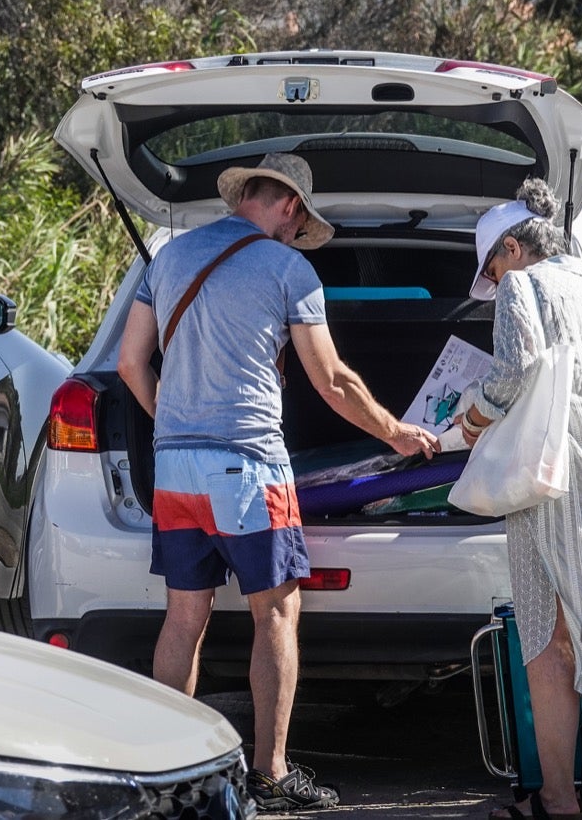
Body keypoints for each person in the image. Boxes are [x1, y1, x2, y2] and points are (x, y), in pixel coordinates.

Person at [117, 151, 437, 813]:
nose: (298, 234)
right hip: (248, 468)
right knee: (277, 615)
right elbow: (333, 381)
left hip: (176, 469)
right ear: (290, 206)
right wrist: (398, 435)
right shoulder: (290, 268)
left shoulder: (169, 260)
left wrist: (177, 424)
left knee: (183, 618)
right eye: (300, 223)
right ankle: (270, 772)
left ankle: (168, 778)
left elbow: (128, 364)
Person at [455, 179, 582, 820]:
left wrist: (473, 419)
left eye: (494, 266)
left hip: (548, 487)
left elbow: (516, 369)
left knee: (546, 641)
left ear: (512, 249)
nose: (496, 279)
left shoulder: (524, 286)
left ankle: (555, 799)